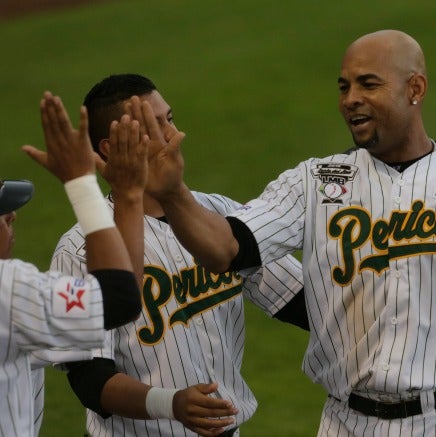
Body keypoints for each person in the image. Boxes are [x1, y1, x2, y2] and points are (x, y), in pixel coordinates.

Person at [134, 29, 436, 436]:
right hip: (345, 421)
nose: (350, 98)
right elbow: (225, 251)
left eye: (368, 84)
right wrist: (173, 195)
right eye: (344, 86)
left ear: (416, 89)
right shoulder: (315, 181)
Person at [46, 74, 308, 437]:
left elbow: (307, 304)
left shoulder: (217, 216)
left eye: (169, 118)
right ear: (111, 148)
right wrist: (170, 402)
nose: (173, 134)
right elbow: (90, 379)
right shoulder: (77, 251)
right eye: (155, 125)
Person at [2, 91, 142, 436]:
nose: (12, 216)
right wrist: (82, 183)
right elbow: (121, 297)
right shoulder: (9, 290)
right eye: (1, 213)